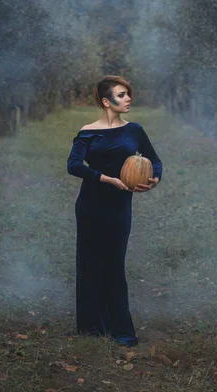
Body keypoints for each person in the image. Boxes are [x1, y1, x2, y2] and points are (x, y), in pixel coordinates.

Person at [66, 75, 163, 347]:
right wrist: (106, 178)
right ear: (106, 101)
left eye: (128, 94)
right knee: (89, 263)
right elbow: (73, 165)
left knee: (113, 264)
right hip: (90, 206)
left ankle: (121, 329)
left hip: (119, 208)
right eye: (122, 95)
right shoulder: (88, 131)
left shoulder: (135, 131)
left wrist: (154, 179)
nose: (129, 98)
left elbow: (154, 160)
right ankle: (92, 327)